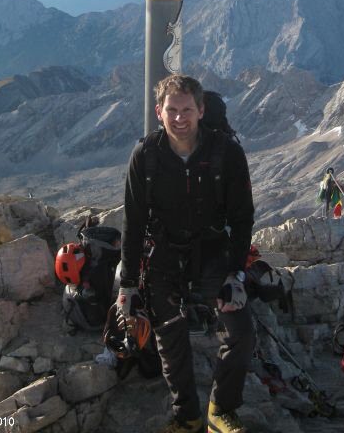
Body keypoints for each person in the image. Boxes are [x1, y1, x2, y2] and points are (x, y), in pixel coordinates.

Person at [117, 75, 255, 433]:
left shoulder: (226, 153)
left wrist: (236, 274)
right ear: (159, 112)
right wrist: (128, 284)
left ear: (201, 110)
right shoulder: (145, 155)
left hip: (212, 253)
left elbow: (242, 219)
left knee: (240, 330)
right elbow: (133, 221)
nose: (180, 118)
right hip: (162, 257)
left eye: (187, 110)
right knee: (169, 337)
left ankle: (219, 409)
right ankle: (187, 415)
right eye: (172, 110)